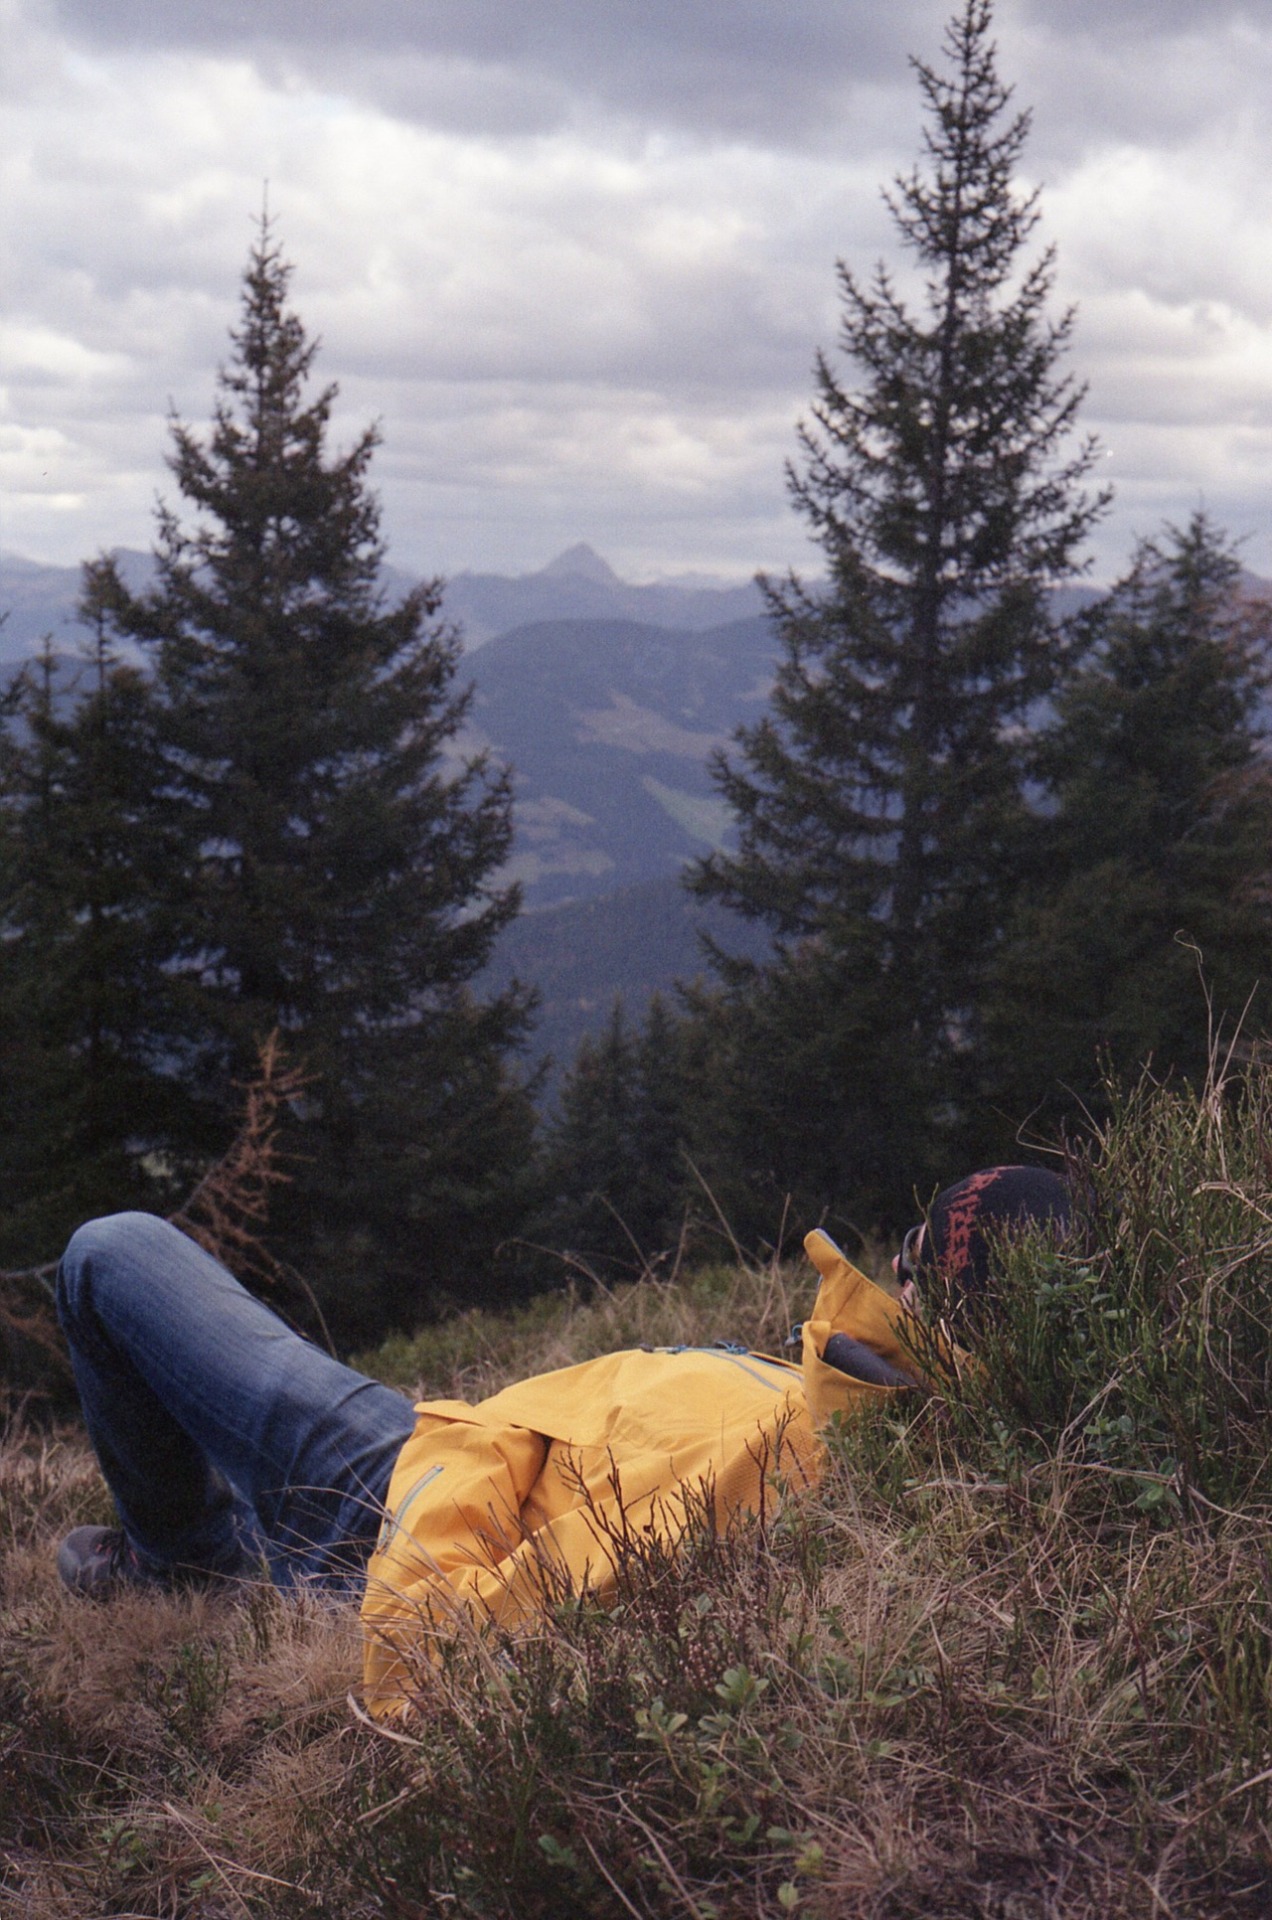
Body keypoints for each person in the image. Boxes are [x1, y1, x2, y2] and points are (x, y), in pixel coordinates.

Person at [54, 1164, 1070, 1714]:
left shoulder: (789, 1457)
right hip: (448, 1448)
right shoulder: (860, 1406)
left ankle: (193, 1563)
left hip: (383, 1493)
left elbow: (466, 1628)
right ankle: (212, 1548)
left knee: (111, 1255)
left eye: (904, 1261)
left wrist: (408, 1511)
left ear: (915, 1287)